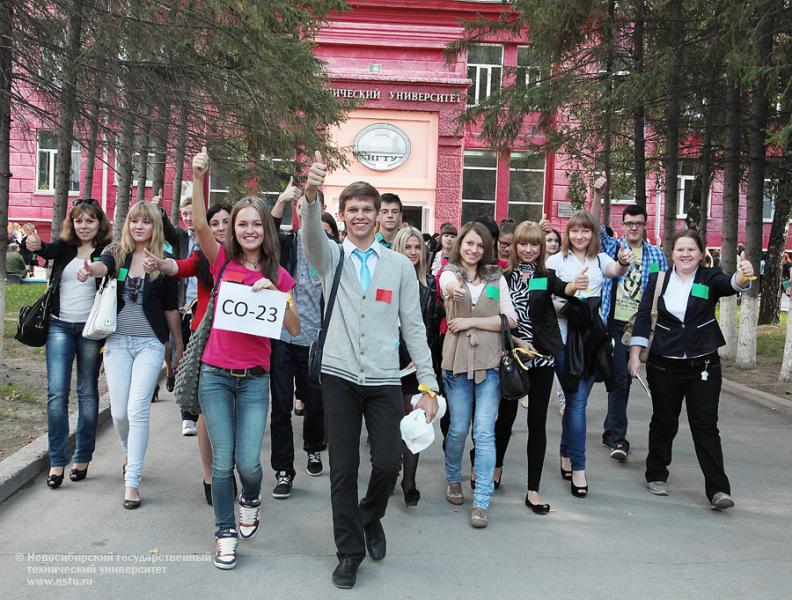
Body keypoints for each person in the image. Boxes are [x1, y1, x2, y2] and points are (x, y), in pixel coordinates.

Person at [301, 152, 439, 589]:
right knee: (342, 468)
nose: (361, 216)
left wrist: (428, 385)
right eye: (353, 210)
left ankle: (371, 515)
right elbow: (309, 237)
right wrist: (309, 197)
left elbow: (413, 327)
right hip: (339, 376)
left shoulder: (397, 265)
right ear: (342, 216)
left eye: (368, 210)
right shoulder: (330, 258)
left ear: (380, 216)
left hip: (383, 378)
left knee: (387, 462)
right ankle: (348, 552)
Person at [184, 148, 299, 569]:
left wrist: (277, 296)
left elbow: (293, 326)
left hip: (254, 379)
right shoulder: (222, 262)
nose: (249, 230)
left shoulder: (279, 273)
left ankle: (251, 497)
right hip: (215, 374)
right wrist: (199, 177)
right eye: (242, 224)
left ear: (267, 229)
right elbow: (199, 223)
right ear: (233, 229)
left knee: (249, 464)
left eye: (256, 224)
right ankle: (224, 532)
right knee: (222, 461)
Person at [628, 230, 754, 509]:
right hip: (664, 363)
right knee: (664, 421)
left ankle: (719, 489)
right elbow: (642, 319)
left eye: (691, 250)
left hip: (704, 365)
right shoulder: (658, 279)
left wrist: (743, 276)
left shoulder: (709, 278)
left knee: (705, 425)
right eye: (680, 249)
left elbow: (729, 284)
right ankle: (656, 474)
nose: (686, 254)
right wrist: (635, 355)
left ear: (701, 254)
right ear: (671, 253)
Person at [77, 201, 182, 510]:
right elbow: (103, 266)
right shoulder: (118, 253)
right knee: (120, 413)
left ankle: (132, 481)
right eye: (134, 221)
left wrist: (178, 345)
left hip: (150, 344)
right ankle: (129, 452)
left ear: (154, 227)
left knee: (137, 410)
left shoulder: (165, 263)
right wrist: (90, 270)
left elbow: (170, 309)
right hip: (118, 345)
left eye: (145, 222)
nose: (139, 226)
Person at [144, 202, 233, 505]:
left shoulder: (249, 255)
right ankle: (211, 475)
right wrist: (161, 263)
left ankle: (229, 467)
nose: (221, 227)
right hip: (206, 338)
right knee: (209, 410)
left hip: (240, 344)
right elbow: (179, 267)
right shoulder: (202, 256)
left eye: (226, 221)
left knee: (234, 413)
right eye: (215, 223)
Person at [25, 200, 112, 488]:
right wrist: (34, 244)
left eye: (90, 221)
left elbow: (110, 271)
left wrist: (94, 269)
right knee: (57, 394)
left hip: (90, 330)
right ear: (72, 224)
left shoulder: (106, 252)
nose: (84, 226)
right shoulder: (64, 247)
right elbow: (44, 250)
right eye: (79, 221)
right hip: (59, 326)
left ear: (99, 223)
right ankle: (57, 460)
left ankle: (83, 455)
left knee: (87, 392)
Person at [545, 210, 630, 498]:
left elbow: (616, 272)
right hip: (563, 339)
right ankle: (579, 468)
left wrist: (622, 262)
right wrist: (567, 306)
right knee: (576, 401)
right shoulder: (555, 261)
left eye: (586, 231)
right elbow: (543, 298)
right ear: (567, 234)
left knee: (576, 403)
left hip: (593, 340)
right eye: (574, 231)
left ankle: (566, 453)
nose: (580, 236)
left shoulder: (600, 260)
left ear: (593, 234)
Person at [495, 221, 577, 513]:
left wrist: (573, 286)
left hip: (542, 357)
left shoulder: (545, 276)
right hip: (512, 355)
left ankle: (533, 490)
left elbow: (562, 288)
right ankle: (496, 465)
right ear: (514, 246)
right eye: (523, 244)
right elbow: (494, 312)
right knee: (504, 418)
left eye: (535, 244)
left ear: (542, 248)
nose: (528, 249)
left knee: (537, 423)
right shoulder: (501, 277)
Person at [440, 221, 517, 528]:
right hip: (456, 362)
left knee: (484, 431)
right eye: (469, 244)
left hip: (489, 362)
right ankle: (452, 478)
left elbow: (509, 319)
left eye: (480, 245)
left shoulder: (497, 278)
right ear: (460, 244)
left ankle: (482, 499)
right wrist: (453, 289)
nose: (473, 250)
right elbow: (447, 283)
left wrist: (473, 323)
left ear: (487, 249)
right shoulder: (451, 272)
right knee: (458, 429)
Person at [267, 178, 327, 499]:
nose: (306, 212)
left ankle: (314, 448)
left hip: (316, 340)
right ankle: (283, 470)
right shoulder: (287, 244)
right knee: (280, 405)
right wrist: (279, 203)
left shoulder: (329, 250)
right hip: (281, 337)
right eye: (301, 207)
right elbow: (269, 235)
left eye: (312, 207)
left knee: (315, 401)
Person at [596, 198, 668, 461]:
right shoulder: (614, 247)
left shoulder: (656, 254)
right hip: (615, 323)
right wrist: (596, 193)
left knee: (625, 379)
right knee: (620, 379)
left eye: (639, 224)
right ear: (622, 225)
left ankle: (609, 431)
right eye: (629, 224)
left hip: (641, 326)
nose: (634, 228)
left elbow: (663, 287)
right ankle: (617, 438)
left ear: (646, 226)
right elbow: (594, 226)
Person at [393, 226, 441, 507]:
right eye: (407, 247)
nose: (412, 252)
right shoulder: (385, 279)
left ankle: (409, 481)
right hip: (388, 363)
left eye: (416, 248)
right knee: (388, 425)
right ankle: (388, 473)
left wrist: (424, 359)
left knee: (415, 422)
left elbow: (433, 327)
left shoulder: (431, 284)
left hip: (417, 365)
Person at [163, 196, 201, 436]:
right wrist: (160, 212)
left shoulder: (211, 240)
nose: (188, 218)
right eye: (184, 214)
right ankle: (187, 416)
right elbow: (168, 231)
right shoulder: (181, 239)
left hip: (205, 309)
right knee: (181, 355)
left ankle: (202, 410)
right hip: (182, 308)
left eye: (191, 213)